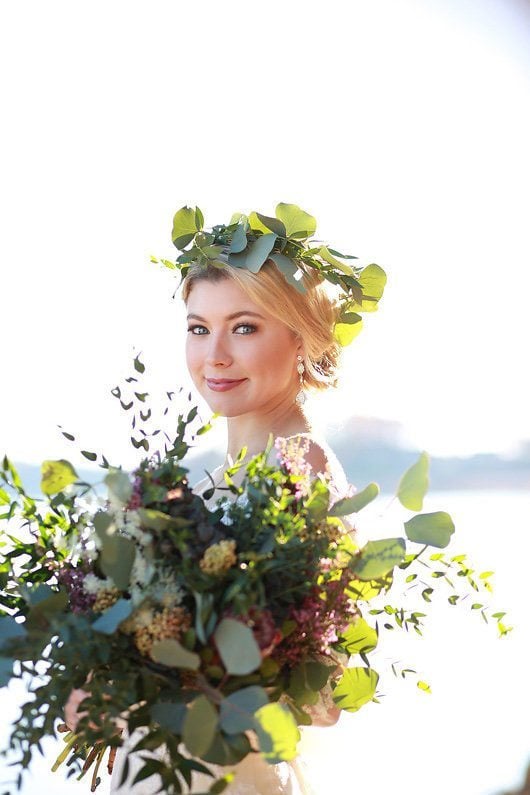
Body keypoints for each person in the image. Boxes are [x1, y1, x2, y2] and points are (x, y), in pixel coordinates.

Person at [65, 233, 362, 793]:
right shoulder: (210, 478)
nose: (215, 355)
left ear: (302, 337)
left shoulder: (302, 468)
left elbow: (324, 698)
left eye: (244, 327)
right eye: (199, 328)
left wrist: (145, 673)